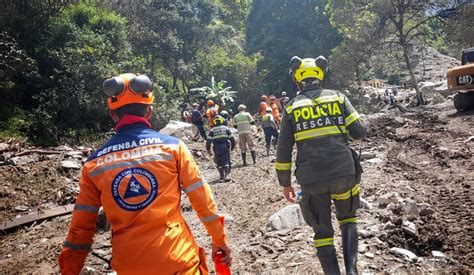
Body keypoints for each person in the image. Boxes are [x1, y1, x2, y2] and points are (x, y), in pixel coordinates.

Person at [58, 73, 231, 274]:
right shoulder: (173, 148)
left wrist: (70, 269)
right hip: (178, 261)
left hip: (130, 266)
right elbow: (202, 200)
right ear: (149, 111)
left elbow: (81, 227)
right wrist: (219, 240)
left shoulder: (94, 164)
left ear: (113, 115)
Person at [276, 57, 367, 274]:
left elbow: (283, 151)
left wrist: (285, 184)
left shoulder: (290, 109)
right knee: (348, 219)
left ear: (297, 81)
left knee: (322, 232)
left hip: (311, 181)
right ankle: (352, 272)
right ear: (321, 76)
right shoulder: (338, 97)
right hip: (344, 174)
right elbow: (359, 131)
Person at [206, 115, 236, 182]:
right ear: (222, 121)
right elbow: (232, 139)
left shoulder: (212, 130)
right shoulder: (226, 128)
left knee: (219, 162)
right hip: (225, 146)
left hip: (216, 147)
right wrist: (233, 146)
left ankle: (222, 176)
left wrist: (208, 149)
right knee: (226, 160)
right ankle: (227, 175)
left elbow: (208, 141)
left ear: (214, 122)